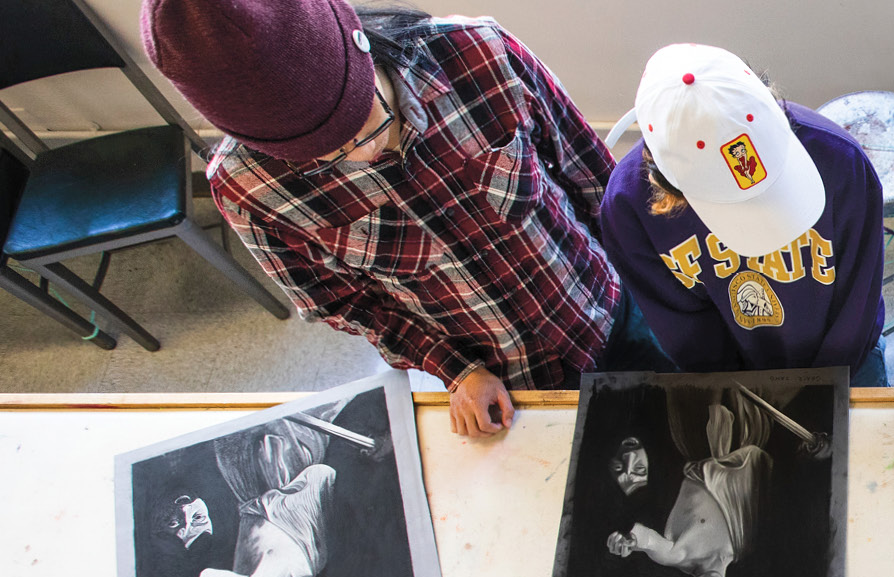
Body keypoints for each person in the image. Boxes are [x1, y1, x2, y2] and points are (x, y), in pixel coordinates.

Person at [141, 0, 675, 438]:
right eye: (320, 155)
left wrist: (664, 292)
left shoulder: (479, 52)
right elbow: (345, 303)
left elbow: (594, 179)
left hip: (607, 308)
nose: (359, 154)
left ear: (356, 41)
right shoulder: (244, 188)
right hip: (506, 380)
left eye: (360, 118)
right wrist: (455, 369)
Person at [599, 44, 889, 385]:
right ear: (667, 185)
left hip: (846, 359)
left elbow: (858, 298)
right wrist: (735, 390)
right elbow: (682, 328)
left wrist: (823, 389)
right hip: (728, 372)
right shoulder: (628, 207)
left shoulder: (842, 162)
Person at [171, 416, 347, 577]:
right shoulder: (316, 563)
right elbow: (315, 505)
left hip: (253, 478)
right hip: (290, 478)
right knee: (301, 426)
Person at [605, 387, 774, 577]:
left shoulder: (678, 555)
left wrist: (629, 542)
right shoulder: (744, 546)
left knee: (702, 382)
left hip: (698, 437)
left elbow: (650, 542)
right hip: (744, 442)